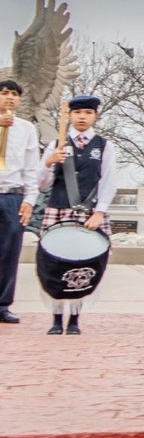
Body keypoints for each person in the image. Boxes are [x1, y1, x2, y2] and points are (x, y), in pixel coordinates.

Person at [31, 95, 120, 335]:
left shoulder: (103, 146)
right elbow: (42, 183)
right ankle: (57, 318)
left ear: (95, 116)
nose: (82, 117)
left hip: (89, 212)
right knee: (56, 262)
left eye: (88, 113)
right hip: (58, 208)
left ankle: (75, 319)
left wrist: (100, 211)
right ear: (69, 115)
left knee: (84, 261)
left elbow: (109, 180)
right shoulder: (57, 144)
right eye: (78, 112)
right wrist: (49, 162)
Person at [0, 78, 43, 325]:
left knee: (8, 251)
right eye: (4, 93)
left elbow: (31, 168)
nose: (9, 98)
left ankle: (3, 304)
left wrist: (29, 200)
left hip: (12, 195)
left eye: (14, 94)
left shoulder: (26, 128)